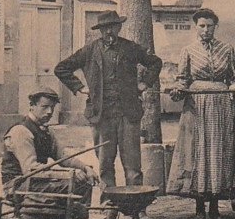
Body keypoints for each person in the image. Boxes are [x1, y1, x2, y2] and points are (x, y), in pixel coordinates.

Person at [54, 10, 162, 188]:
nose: (108, 32)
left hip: (128, 115)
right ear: (100, 30)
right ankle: (109, 205)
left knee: (133, 165)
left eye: (112, 27)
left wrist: (144, 83)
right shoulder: (89, 50)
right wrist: (80, 87)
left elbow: (155, 62)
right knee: (105, 165)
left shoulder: (130, 48)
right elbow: (61, 68)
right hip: (101, 116)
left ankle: (135, 207)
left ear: (119, 27)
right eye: (104, 29)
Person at [165, 8, 235, 219]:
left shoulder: (227, 50)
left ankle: (215, 208)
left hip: (220, 106)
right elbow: (182, 79)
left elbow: (234, 77)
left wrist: (234, 86)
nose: (206, 29)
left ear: (215, 27)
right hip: (197, 107)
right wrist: (178, 90)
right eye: (202, 25)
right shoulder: (188, 51)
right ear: (196, 26)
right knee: (199, 152)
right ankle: (200, 207)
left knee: (217, 152)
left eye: (209, 26)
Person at [1, 88, 98, 219]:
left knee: (84, 180)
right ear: (32, 106)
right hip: (18, 185)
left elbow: (62, 156)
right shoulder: (21, 132)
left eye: (52, 108)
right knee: (73, 182)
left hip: (36, 182)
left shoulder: (45, 131)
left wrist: (85, 167)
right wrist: (69, 175)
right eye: (44, 107)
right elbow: (32, 169)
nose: (49, 112)